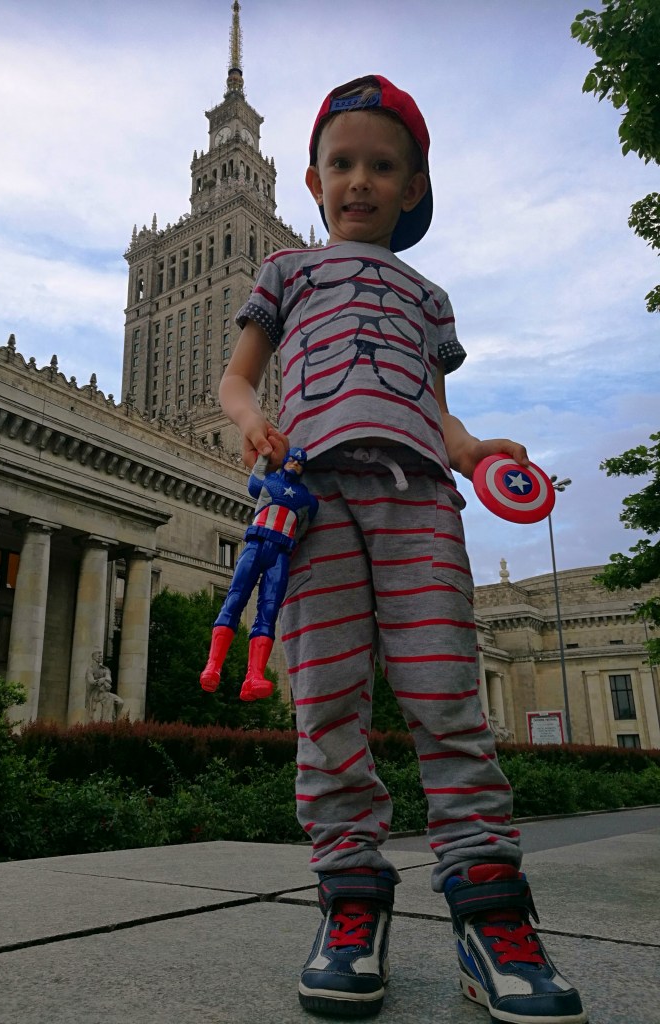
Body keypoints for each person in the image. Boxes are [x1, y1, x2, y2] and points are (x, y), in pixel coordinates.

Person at [218, 75, 586, 1023]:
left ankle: (492, 917)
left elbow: (436, 406)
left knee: (448, 701)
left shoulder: (428, 296)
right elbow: (236, 381)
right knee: (327, 707)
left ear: (413, 187)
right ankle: (350, 904)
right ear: (312, 181)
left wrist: (472, 450)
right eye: (342, 164)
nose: (360, 181)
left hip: (419, 501)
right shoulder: (286, 272)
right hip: (314, 505)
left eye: (383, 167)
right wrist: (253, 422)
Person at [200, 447, 318, 700]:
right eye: (292, 459)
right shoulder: (272, 483)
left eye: (300, 462)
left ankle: (254, 675)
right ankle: (213, 666)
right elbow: (254, 482)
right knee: (235, 599)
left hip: (278, 552)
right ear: (285, 461)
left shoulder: (306, 499)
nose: (295, 464)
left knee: (268, 611)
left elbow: (302, 530)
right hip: (257, 546)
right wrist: (264, 453)